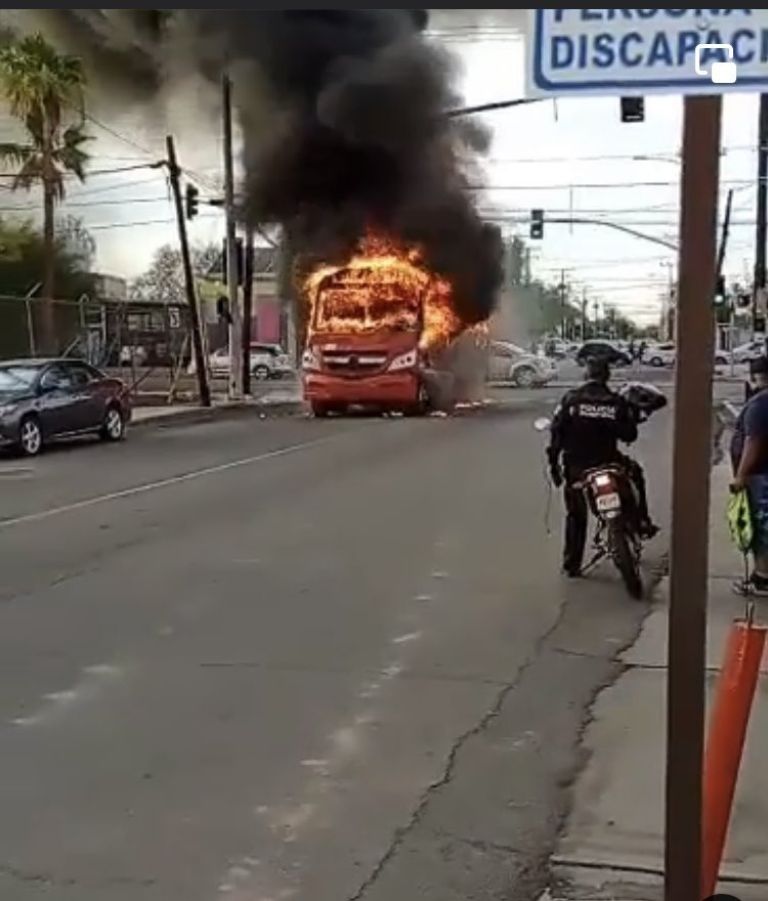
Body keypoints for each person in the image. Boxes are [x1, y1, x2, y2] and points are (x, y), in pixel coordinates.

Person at [547, 356, 656, 577]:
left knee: (576, 514)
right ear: (607, 376)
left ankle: (572, 564)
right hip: (609, 462)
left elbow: (556, 434)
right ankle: (642, 522)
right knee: (636, 473)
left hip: (577, 468)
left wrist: (554, 466)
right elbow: (629, 435)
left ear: (586, 375)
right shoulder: (616, 402)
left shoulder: (571, 400)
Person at [731, 356, 768, 595]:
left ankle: (763, 579)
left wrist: (741, 475)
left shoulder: (760, 404)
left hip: (759, 477)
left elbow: (753, 442)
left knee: (760, 529)